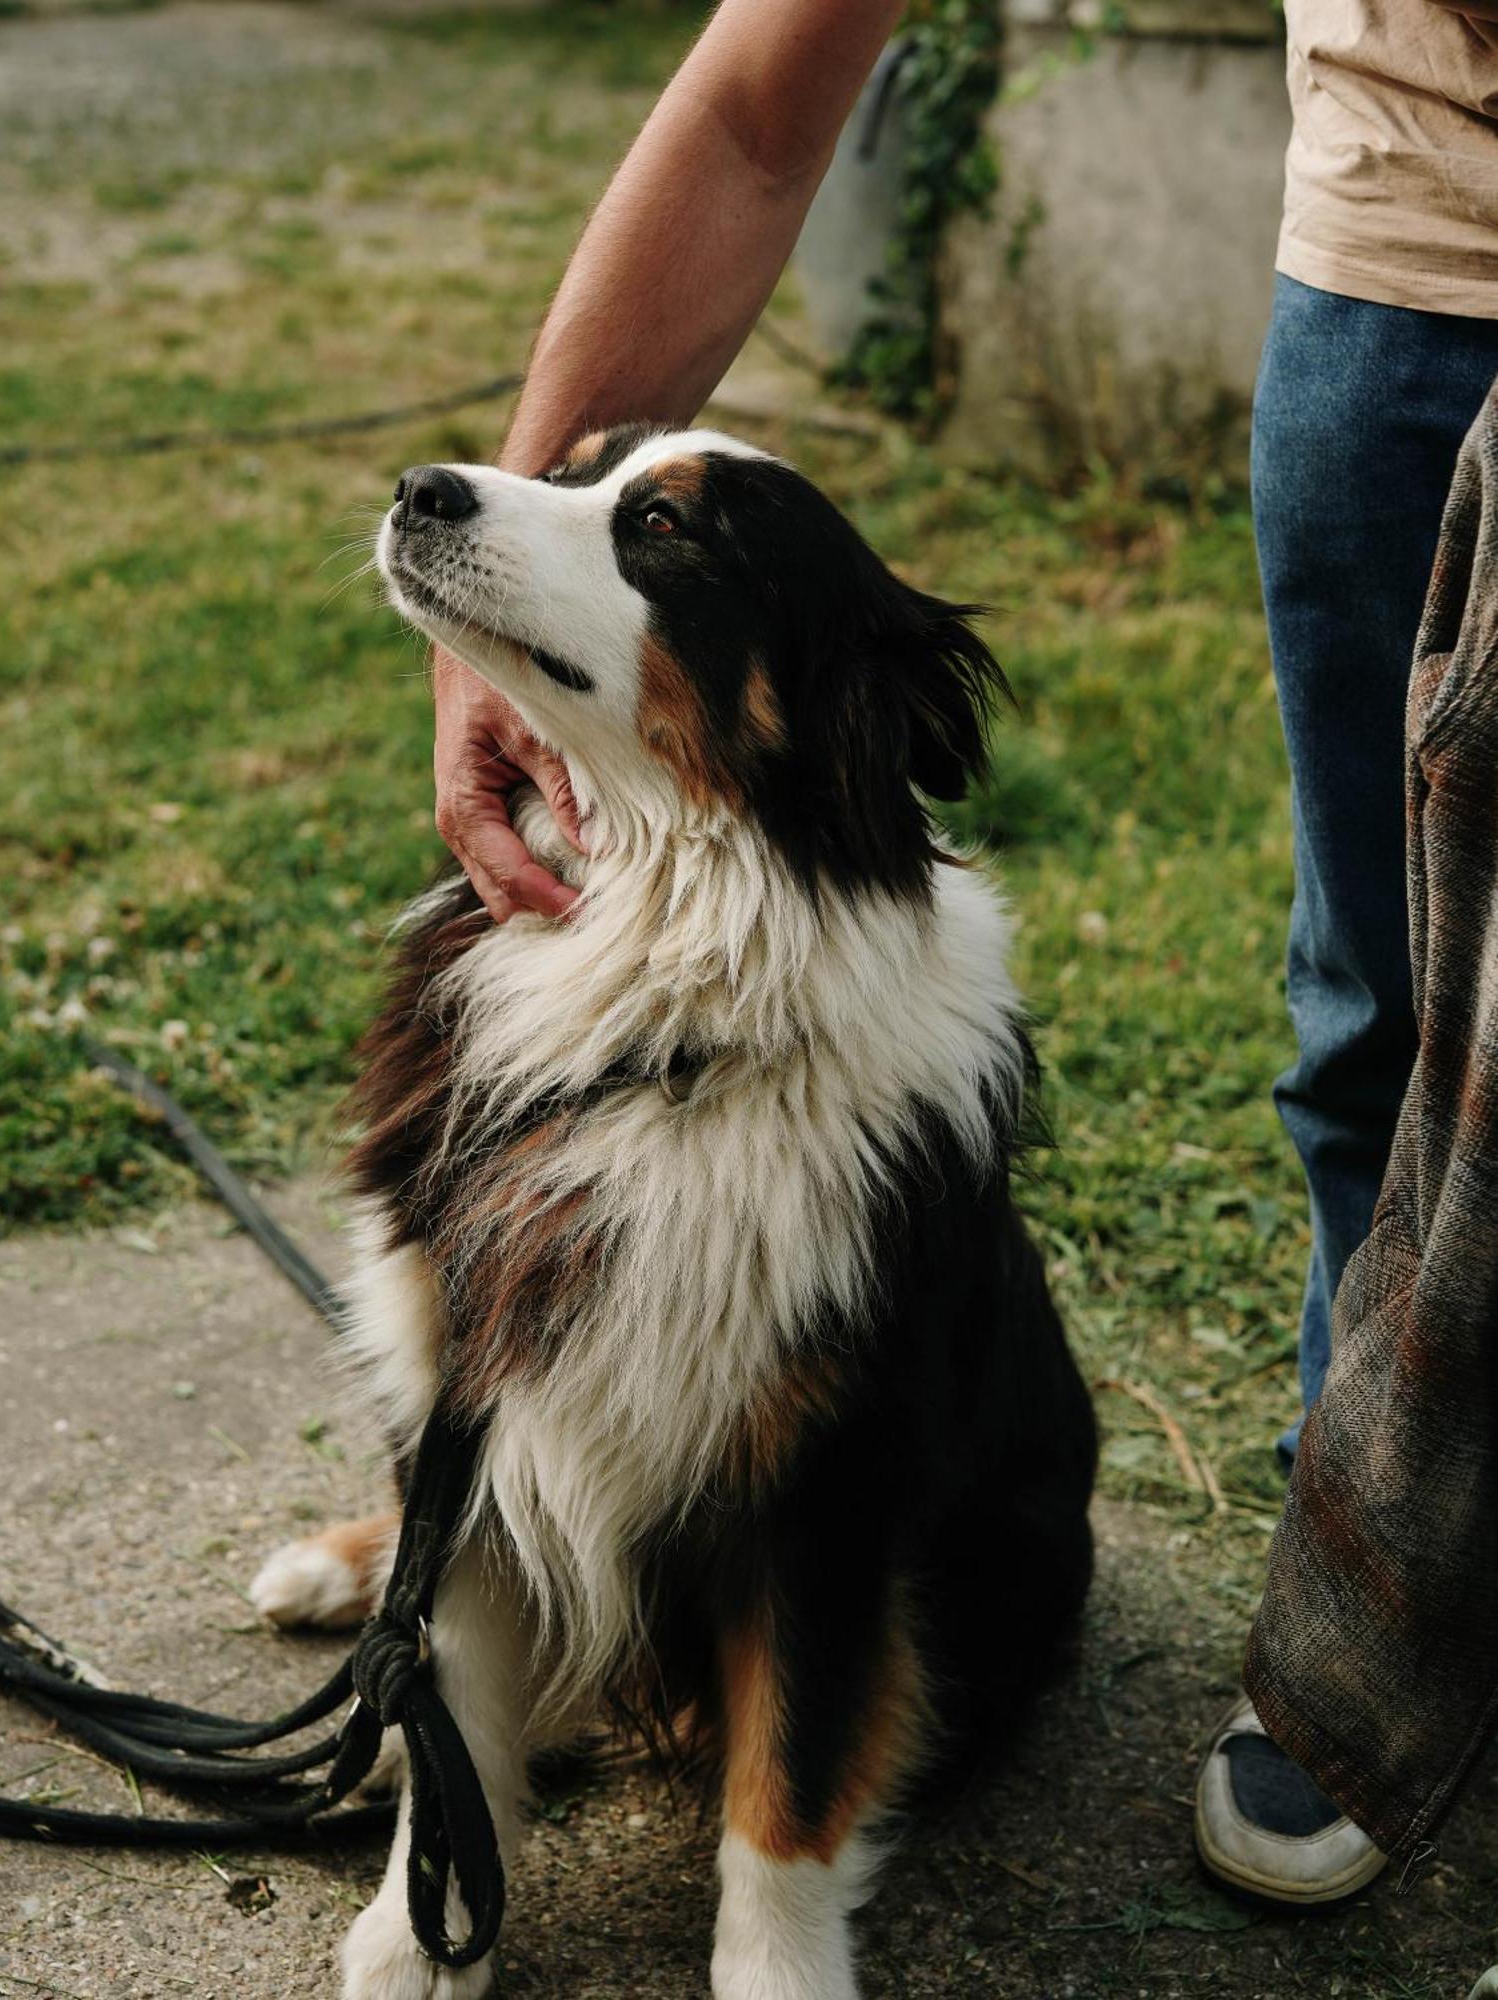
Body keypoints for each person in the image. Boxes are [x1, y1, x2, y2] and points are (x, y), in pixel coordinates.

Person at [425, 0, 1498, 1910]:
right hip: (1417, 250)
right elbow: (764, 106)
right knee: (1388, 1015)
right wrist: (500, 604)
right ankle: (1367, 1630)